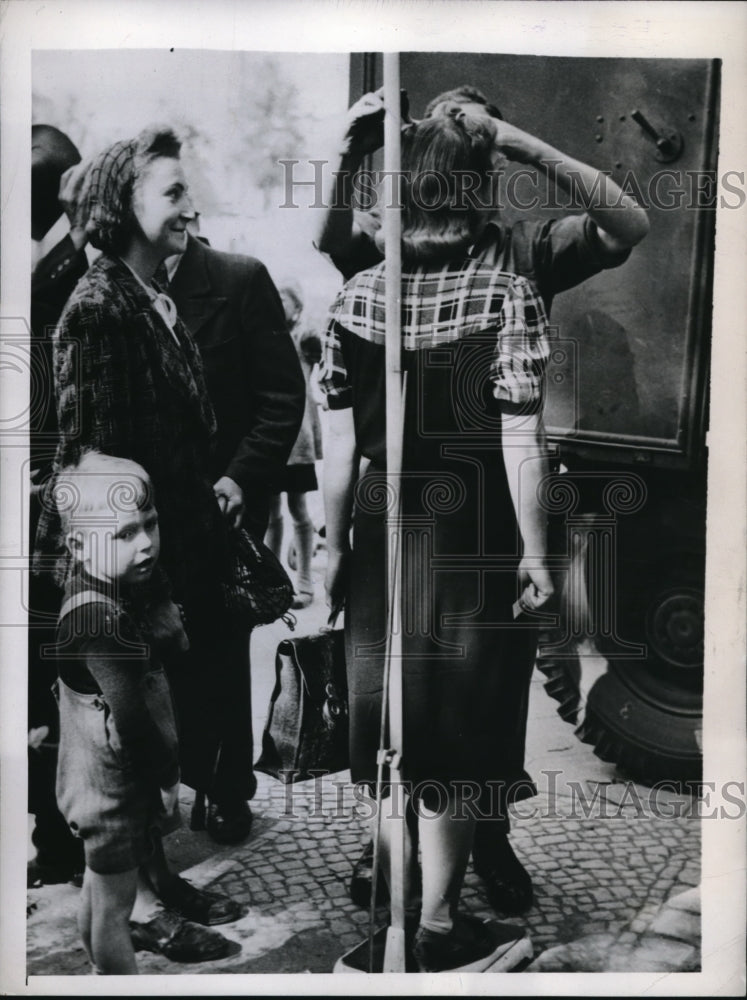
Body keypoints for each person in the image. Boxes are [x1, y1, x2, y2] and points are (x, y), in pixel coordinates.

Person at [316, 84, 649, 917]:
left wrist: (517, 136)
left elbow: (627, 222)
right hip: (461, 520)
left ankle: (450, 867)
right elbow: (515, 440)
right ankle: (425, 900)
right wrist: (354, 150)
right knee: (438, 707)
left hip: (432, 516)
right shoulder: (463, 289)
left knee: (433, 705)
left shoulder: (516, 254)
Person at [321, 107, 553, 972]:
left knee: (390, 727)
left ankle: (392, 908)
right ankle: (438, 923)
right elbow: (518, 439)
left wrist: (334, 548)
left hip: (384, 529)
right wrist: (535, 554)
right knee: (464, 732)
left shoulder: (353, 295)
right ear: (472, 195)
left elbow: (338, 444)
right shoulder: (504, 294)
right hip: (476, 532)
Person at [33, 126, 245, 957]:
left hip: (158, 560)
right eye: (171, 195)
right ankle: (134, 923)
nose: (191, 207)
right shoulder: (98, 310)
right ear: (120, 208)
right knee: (125, 751)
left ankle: (149, 897)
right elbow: (95, 475)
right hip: (116, 580)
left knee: (145, 749)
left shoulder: (145, 294)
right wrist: (145, 603)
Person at [51, 451, 226, 974]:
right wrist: (165, 778)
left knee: (99, 897)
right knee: (114, 911)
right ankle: (116, 978)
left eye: (150, 525)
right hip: (114, 794)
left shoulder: (101, 591)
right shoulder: (100, 620)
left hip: (96, 787)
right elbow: (130, 721)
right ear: (80, 545)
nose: (147, 542)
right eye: (125, 533)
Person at [164, 229, 305, 839]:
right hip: (146, 513)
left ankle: (224, 787)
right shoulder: (113, 290)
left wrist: (242, 479)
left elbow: (280, 397)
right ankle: (163, 786)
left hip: (221, 514)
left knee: (218, 654)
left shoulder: (238, 278)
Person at [28, 125, 90, 888]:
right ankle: (56, 828)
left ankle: (61, 830)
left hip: (49, 497)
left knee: (54, 665)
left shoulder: (69, 267)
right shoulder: (64, 262)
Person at [264, 281, 322, 610]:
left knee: (298, 509)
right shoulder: (264, 335)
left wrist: (307, 320)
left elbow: (316, 341)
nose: (279, 306)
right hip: (271, 437)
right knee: (271, 511)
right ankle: (271, 581)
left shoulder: (301, 339)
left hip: (297, 439)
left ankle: (303, 579)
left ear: (296, 307)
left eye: (285, 301)